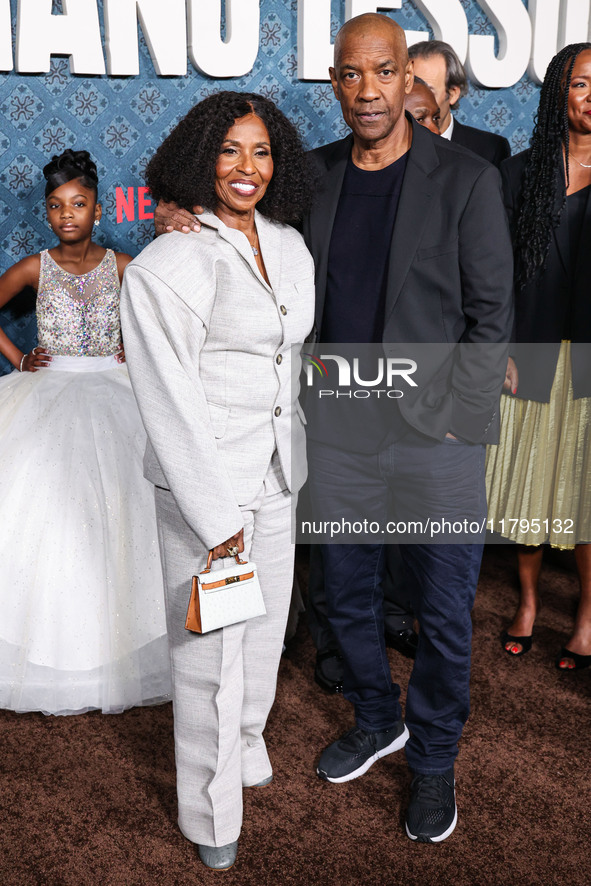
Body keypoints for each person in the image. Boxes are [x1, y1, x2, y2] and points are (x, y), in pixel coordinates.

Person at [152, 14, 513, 844]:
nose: (368, 91)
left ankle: (430, 761)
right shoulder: (307, 179)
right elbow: (228, 207)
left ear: (407, 82)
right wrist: (175, 205)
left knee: (445, 610)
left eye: (384, 73)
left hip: (436, 445)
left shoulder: (464, 179)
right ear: (333, 80)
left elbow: (492, 315)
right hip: (339, 439)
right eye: (351, 75)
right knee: (343, 597)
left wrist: (461, 424)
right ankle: (376, 716)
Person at [120, 92, 315, 872]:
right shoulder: (172, 261)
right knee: (206, 655)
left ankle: (244, 742)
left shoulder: (289, 244)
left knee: (262, 638)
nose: (246, 167)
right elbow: (166, 399)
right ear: (201, 158)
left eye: (261, 150)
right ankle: (208, 810)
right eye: (229, 150)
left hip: (277, 475)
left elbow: (286, 360)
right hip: (208, 491)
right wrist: (214, 516)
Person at [0, 149, 171, 716]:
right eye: (56, 206)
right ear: (46, 214)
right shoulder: (32, 267)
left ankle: (117, 654)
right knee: (45, 517)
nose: (67, 215)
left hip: (115, 390)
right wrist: (18, 358)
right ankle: (49, 658)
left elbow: (161, 320)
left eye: (78, 204)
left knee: (126, 519)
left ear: (98, 209)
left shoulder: (125, 265)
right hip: (48, 395)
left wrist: (134, 348)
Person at [486, 43, 591, 669]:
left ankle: (585, 615)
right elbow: (493, 275)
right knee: (529, 482)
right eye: (581, 83)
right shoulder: (518, 174)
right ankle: (526, 601)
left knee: (584, 491)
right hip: (529, 352)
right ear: (559, 93)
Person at [409, 40, 510, 166]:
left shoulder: (490, 149)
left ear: (452, 94)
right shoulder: (386, 146)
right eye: (410, 88)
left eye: (429, 91)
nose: (418, 98)